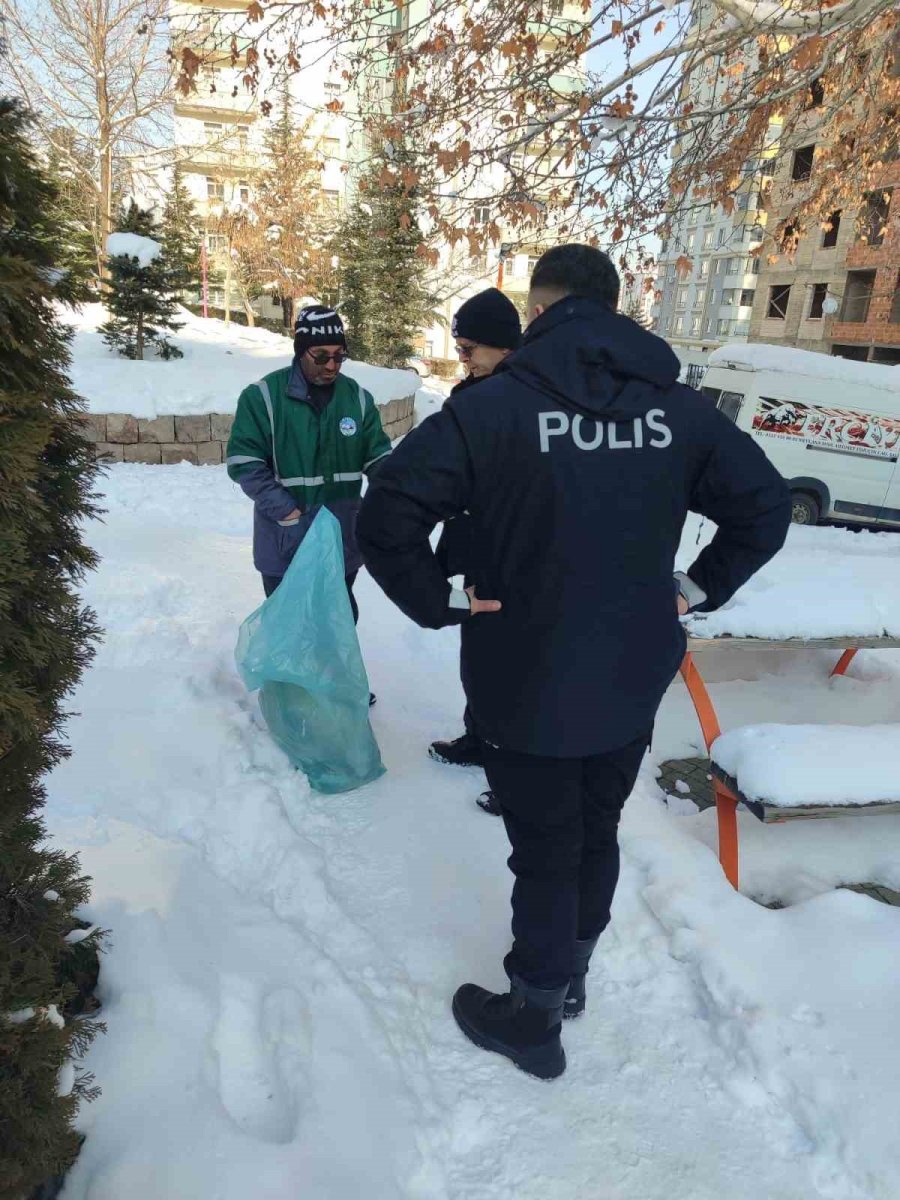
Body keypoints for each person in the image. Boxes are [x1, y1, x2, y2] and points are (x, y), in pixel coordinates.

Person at [357, 244, 791, 1080]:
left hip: (526, 668)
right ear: (614, 305)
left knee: (551, 845)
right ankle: (568, 977)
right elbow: (764, 508)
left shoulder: (495, 408)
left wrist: (437, 603)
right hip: (631, 670)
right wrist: (696, 590)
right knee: (594, 830)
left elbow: (390, 510)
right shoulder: (677, 409)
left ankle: (535, 1012)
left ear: (539, 311)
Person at [226, 304, 391, 703]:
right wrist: (284, 508)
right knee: (289, 620)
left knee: (338, 616)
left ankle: (339, 686)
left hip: (341, 538)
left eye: (339, 355)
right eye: (322, 356)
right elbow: (243, 461)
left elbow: (378, 456)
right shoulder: (263, 398)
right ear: (300, 351)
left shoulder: (358, 399)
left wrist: (397, 489)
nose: (332, 365)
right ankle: (293, 695)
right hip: (286, 537)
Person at [429, 288, 522, 778]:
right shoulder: (473, 392)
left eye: (469, 349)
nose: (462, 359)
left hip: (518, 553)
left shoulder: (524, 397)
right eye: (459, 348)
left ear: (504, 345)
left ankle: (514, 773)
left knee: (511, 667)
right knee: (480, 658)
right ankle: (481, 738)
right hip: (479, 546)